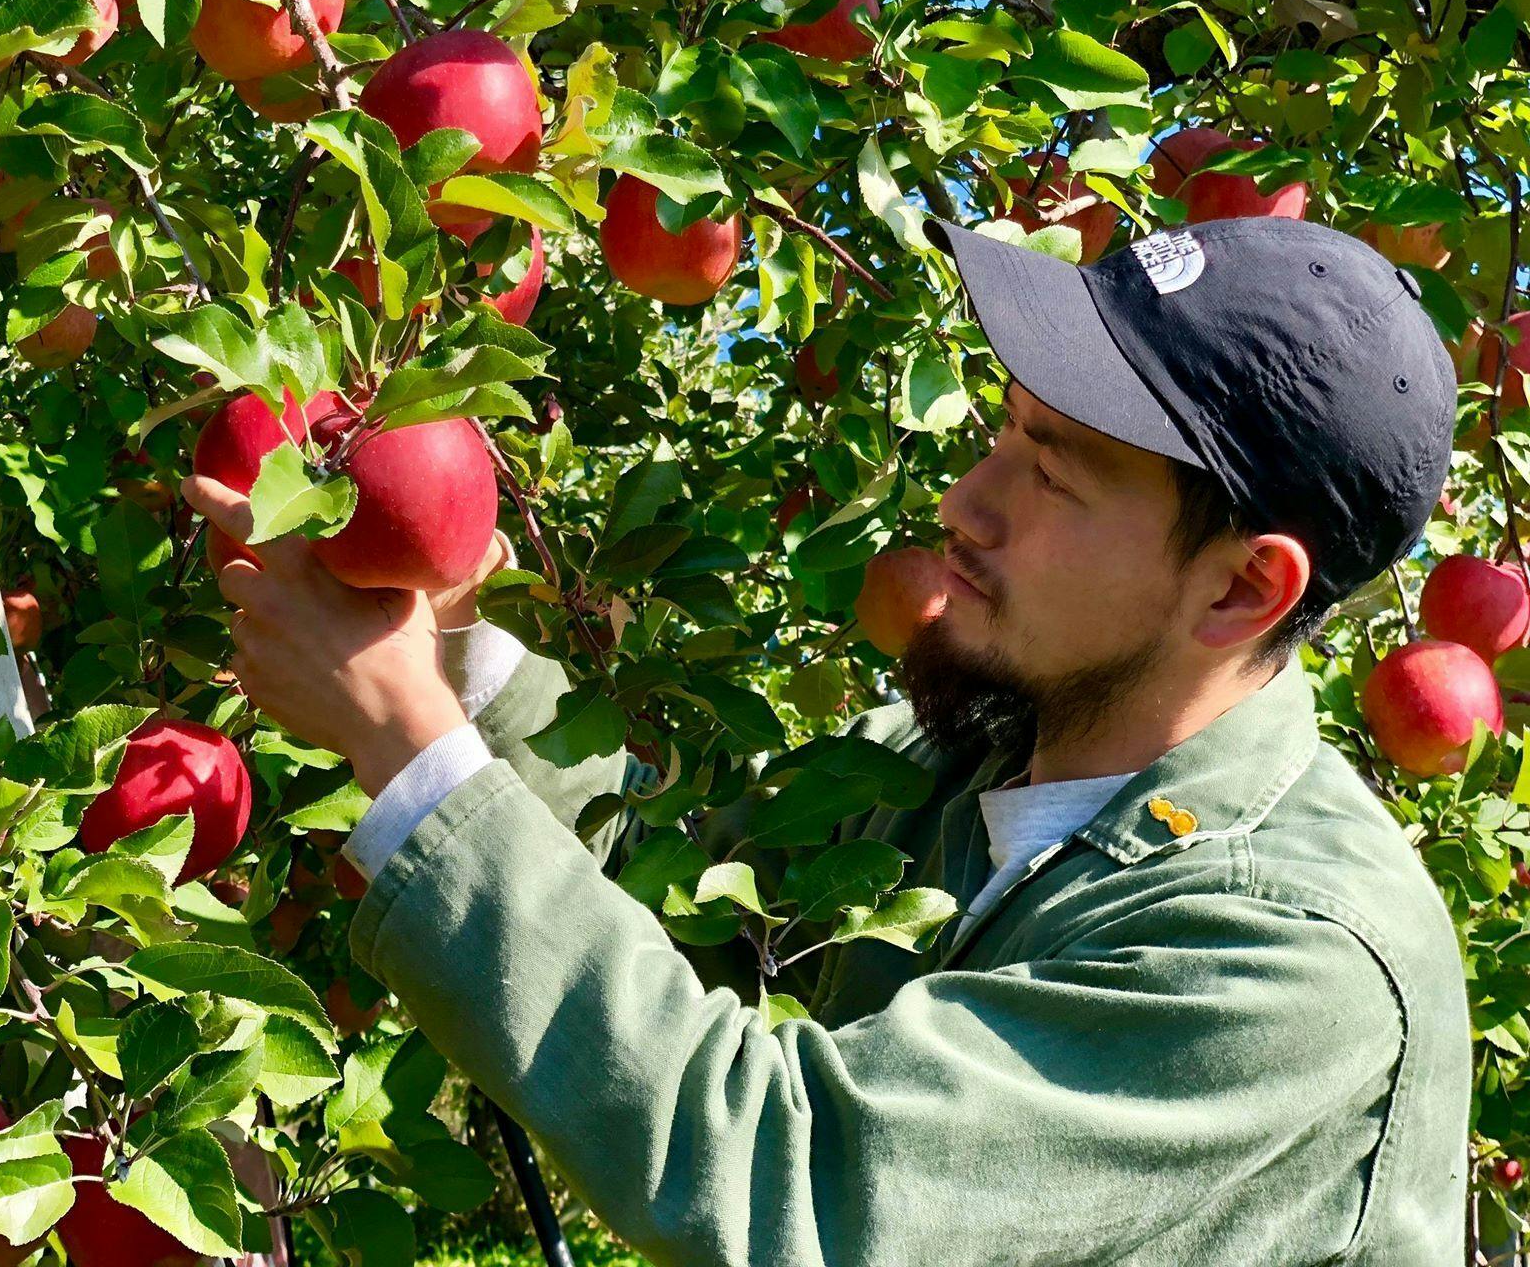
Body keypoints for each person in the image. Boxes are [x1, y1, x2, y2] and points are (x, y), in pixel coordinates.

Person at [181, 215, 1470, 1266]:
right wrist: (459, 648)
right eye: (1002, 434)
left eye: (1054, 472)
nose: (966, 504)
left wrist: (405, 741)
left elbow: (797, 1178)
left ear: (1242, 590)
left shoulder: (1289, 965)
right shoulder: (956, 764)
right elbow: (670, 886)